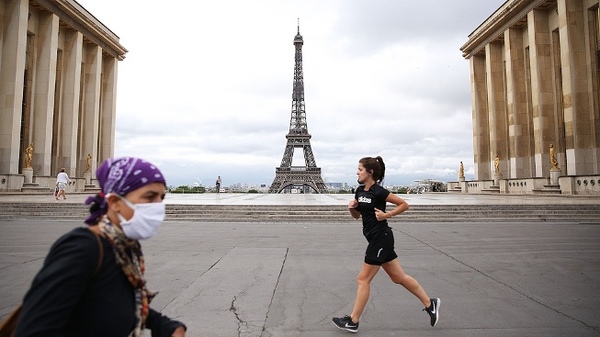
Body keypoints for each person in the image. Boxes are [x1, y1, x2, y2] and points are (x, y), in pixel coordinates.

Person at [15, 157, 187, 337]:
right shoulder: (81, 249)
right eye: (150, 197)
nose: (158, 207)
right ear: (115, 202)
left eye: (161, 198)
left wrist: (165, 325)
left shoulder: (123, 248)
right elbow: (34, 329)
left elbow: (114, 302)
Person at [332, 156, 440, 333]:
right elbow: (357, 216)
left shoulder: (379, 192)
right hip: (375, 238)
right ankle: (430, 304)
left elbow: (404, 204)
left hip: (381, 238)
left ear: (370, 172)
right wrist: (352, 208)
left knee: (363, 279)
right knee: (398, 278)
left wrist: (386, 215)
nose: (357, 172)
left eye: (360, 169)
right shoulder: (359, 191)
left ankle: (353, 320)